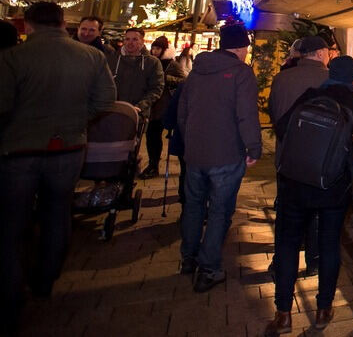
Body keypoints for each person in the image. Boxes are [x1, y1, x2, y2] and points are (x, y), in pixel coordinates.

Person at [0, 2, 116, 332]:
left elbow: (3, 104)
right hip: (68, 147)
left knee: (12, 223)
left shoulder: (13, 57)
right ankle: (45, 279)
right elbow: (106, 99)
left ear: (28, 24)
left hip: (19, 148)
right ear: (65, 22)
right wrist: (79, 120)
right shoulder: (91, 57)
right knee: (57, 212)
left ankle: (10, 293)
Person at [265, 55, 353, 336]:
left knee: (287, 245)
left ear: (329, 73)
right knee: (328, 244)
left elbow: (282, 128)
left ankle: (284, 314)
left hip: (296, 183)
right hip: (333, 187)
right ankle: (324, 309)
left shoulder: (311, 96)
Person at [178, 23, 262, 293]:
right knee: (219, 210)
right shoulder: (241, 73)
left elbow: (183, 111)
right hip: (226, 153)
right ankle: (210, 268)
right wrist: (254, 147)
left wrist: (190, 140)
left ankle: (188, 258)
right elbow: (246, 114)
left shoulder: (197, 70)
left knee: (193, 206)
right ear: (241, 48)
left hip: (195, 153)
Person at [268, 35, 334, 276]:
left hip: (288, 160)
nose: (329, 55)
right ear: (318, 54)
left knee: (288, 215)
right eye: (327, 51)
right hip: (320, 162)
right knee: (317, 212)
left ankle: (282, 265)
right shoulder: (330, 79)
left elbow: (274, 114)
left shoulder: (281, 79)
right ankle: (314, 260)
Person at [140, 36, 186, 179]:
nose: (154, 51)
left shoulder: (171, 64)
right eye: (153, 48)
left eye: (158, 48)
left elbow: (183, 80)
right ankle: (152, 164)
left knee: (156, 134)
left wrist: (167, 79)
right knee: (151, 136)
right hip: (152, 105)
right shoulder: (149, 62)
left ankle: (154, 165)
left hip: (165, 105)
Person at [110, 28, 164, 117]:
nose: (130, 43)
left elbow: (156, 88)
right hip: (112, 111)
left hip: (137, 114)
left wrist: (141, 106)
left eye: (135, 39)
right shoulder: (113, 59)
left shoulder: (152, 62)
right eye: (127, 39)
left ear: (142, 41)